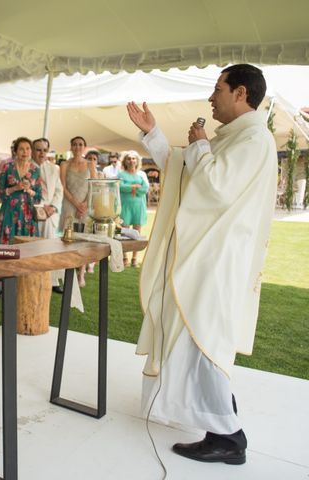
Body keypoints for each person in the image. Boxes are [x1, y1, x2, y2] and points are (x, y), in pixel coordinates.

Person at [127, 64, 277, 465]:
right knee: (198, 337)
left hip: (218, 261)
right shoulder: (237, 138)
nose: (212, 97)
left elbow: (214, 186)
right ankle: (215, 418)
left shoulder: (254, 141)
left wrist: (199, 144)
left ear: (240, 92)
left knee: (205, 339)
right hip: (207, 257)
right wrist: (153, 134)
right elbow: (185, 172)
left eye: (218, 89)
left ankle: (228, 437)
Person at [59, 135, 98, 287]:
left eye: (80, 144)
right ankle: (67, 270)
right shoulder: (64, 164)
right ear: (71, 147)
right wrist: (76, 203)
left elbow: (93, 186)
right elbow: (63, 187)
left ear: (84, 147)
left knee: (83, 238)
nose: (77, 147)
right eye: (74, 144)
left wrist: (84, 206)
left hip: (85, 205)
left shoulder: (90, 164)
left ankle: (81, 273)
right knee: (68, 238)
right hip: (69, 204)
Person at [0, 137, 42, 244]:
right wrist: (15, 188)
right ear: (15, 151)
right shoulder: (7, 167)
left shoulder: (35, 170)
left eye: (28, 149)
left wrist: (29, 190)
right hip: (9, 213)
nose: (25, 152)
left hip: (28, 214)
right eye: (21, 149)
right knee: (6, 249)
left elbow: (38, 196)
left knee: (28, 251)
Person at [32, 138, 64, 293]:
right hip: (32, 212)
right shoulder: (27, 168)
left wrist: (53, 207)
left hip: (49, 212)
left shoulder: (53, 168)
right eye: (38, 149)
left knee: (50, 245)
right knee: (33, 248)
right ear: (32, 151)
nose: (41, 153)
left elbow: (59, 190)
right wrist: (39, 207)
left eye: (44, 150)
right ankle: (33, 278)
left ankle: (52, 281)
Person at [118, 150, 149, 267]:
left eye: (133, 158)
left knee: (137, 232)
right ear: (125, 161)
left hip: (139, 206)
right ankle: (125, 257)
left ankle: (135, 258)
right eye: (129, 158)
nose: (131, 160)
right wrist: (134, 187)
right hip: (125, 205)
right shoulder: (121, 174)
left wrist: (130, 188)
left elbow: (145, 188)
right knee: (125, 232)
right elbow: (120, 187)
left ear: (137, 160)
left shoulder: (142, 174)